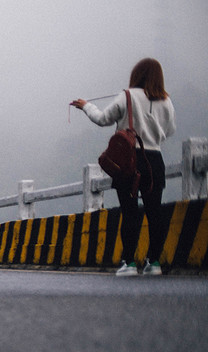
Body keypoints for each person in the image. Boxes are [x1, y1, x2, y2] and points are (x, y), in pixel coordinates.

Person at [72, 58, 176, 276]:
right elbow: (170, 130)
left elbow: (102, 119)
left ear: (136, 74)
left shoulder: (127, 96)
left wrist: (86, 106)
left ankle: (129, 263)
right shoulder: (166, 101)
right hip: (155, 160)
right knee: (154, 211)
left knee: (129, 212)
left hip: (130, 160)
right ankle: (154, 263)